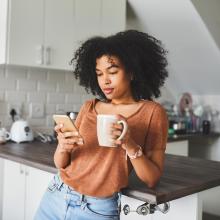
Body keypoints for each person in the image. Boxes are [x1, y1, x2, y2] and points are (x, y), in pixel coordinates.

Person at [34, 30, 169, 220]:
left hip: (97, 209)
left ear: (132, 71)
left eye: (112, 72)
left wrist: (129, 144)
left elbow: (152, 178)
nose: (105, 80)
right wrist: (63, 147)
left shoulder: (152, 113)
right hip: (56, 194)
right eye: (99, 73)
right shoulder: (89, 107)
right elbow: (61, 163)